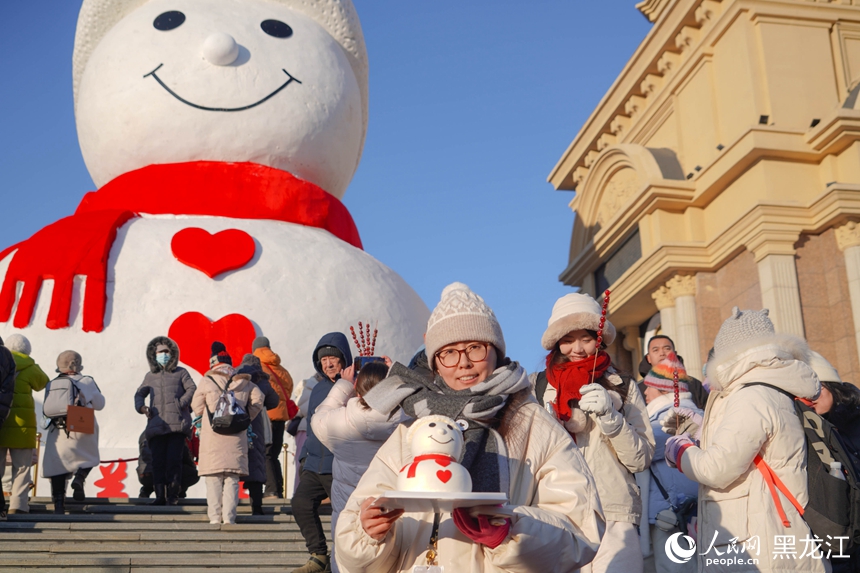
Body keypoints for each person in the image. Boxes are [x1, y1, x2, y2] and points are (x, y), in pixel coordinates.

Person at [336, 282, 604, 573]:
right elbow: (357, 522)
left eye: (475, 348)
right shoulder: (414, 429)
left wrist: (509, 531)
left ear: (497, 352)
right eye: (448, 352)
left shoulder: (532, 423)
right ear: (436, 364)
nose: (463, 363)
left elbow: (580, 529)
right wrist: (369, 532)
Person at [664, 307, 828, 572]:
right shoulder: (772, 388)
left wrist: (678, 448)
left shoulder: (751, 396)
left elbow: (717, 469)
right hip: (774, 528)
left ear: (730, 352)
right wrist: (700, 431)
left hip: (757, 541)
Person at [533, 292, 654, 573]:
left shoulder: (621, 384)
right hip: (555, 511)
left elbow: (641, 458)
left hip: (614, 513)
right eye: (568, 339)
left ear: (598, 338)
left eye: (586, 338)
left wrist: (610, 418)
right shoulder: (536, 387)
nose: (577, 348)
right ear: (556, 342)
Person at [310, 360, 407, 573]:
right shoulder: (409, 422)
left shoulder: (339, 421)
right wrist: (401, 373)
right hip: (396, 513)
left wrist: (343, 385)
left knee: (347, 557)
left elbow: (319, 415)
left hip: (349, 511)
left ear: (357, 388)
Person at [291, 332, 352, 573]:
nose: (328, 363)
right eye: (323, 359)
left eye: (333, 358)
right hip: (314, 465)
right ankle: (318, 555)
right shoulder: (317, 388)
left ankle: (342, 562)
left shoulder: (354, 386)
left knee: (345, 518)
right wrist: (305, 457)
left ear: (343, 359)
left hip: (339, 466)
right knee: (300, 504)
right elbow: (311, 424)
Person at [640, 353, 700, 573]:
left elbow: (641, 449)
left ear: (664, 391)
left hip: (673, 513)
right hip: (679, 512)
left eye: (650, 387)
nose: (645, 392)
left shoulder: (677, 419)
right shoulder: (689, 416)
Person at [191, 342, 264, 525]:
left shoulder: (207, 381)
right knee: (231, 478)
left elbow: (196, 407)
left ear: (213, 363)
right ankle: (229, 519)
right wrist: (246, 416)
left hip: (213, 437)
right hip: (236, 436)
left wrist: (207, 414)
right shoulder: (244, 381)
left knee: (214, 478)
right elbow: (259, 399)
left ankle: (215, 519)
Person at [807, 351, 860, 573]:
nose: (810, 399)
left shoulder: (855, 418)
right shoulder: (813, 428)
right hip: (844, 534)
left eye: (817, 390)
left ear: (832, 385)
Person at [133, 336, 196, 505]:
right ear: (154, 355)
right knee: (158, 462)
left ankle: (173, 495)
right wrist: (142, 408)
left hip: (176, 425)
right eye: (160, 352)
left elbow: (192, 388)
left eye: (166, 351)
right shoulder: (150, 376)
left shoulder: (181, 372)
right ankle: (160, 496)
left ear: (173, 353)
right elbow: (139, 394)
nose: (164, 355)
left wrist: (180, 404)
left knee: (174, 461)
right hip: (156, 425)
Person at [41, 350, 105, 514]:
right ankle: (80, 477)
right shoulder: (86, 381)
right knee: (88, 457)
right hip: (81, 425)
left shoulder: (53, 383)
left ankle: (59, 504)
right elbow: (99, 404)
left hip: (58, 429)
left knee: (58, 466)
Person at [0, 334, 48, 516]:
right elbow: (43, 383)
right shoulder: (31, 367)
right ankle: (18, 506)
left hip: (2, 421)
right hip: (23, 425)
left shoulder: (2, 360)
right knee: (22, 467)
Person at [235, 354, 280, 515]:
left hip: (236, 424)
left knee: (234, 464)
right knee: (256, 463)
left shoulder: (235, 377)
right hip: (256, 425)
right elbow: (275, 401)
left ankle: (228, 508)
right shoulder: (262, 380)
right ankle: (257, 507)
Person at [252, 336, 296, 499]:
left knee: (266, 453)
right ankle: (278, 488)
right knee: (274, 453)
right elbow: (289, 389)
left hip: (266, 415)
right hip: (281, 416)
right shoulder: (281, 369)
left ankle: (271, 489)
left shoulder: (258, 367)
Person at [637, 335, 709, 410]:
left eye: (667, 349)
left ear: (675, 354)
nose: (662, 353)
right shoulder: (638, 389)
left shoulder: (693, 384)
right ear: (648, 358)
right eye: (656, 350)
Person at [136, 431, 199, 499]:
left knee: (154, 470)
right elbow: (186, 456)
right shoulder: (174, 434)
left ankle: (145, 490)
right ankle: (177, 493)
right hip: (163, 474)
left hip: (144, 475)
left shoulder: (145, 433)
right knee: (186, 472)